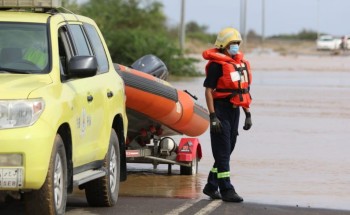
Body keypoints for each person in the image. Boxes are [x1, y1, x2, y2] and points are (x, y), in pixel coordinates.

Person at [202, 27, 253, 202]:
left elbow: (243, 91)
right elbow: (209, 92)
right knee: (223, 152)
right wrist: (213, 116)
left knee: (227, 150)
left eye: (237, 43)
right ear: (224, 45)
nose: (236, 47)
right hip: (220, 110)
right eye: (233, 43)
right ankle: (226, 189)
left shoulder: (238, 65)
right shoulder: (217, 66)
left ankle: (211, 185)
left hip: (235, 111)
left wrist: (247, 113)